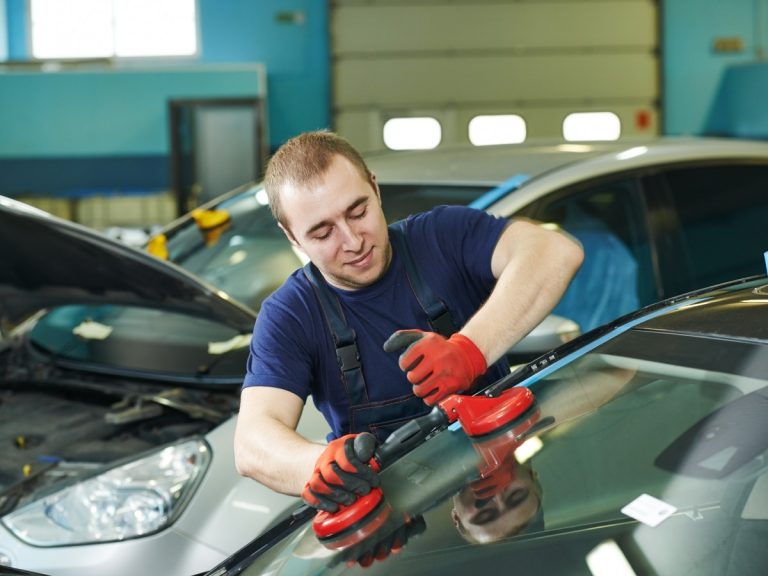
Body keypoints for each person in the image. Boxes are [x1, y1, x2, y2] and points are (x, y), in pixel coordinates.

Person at [234, 130, 583, 512]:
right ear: (292, 237)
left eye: (358, 211)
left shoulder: (442, 239)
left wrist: (470, 352)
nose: (353, 241)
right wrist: (317, 466)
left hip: (499, 476)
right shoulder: (291, 315)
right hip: (395, 528)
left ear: (375, 189)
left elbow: (554, 251)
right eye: (322, 232)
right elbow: (252, 443)